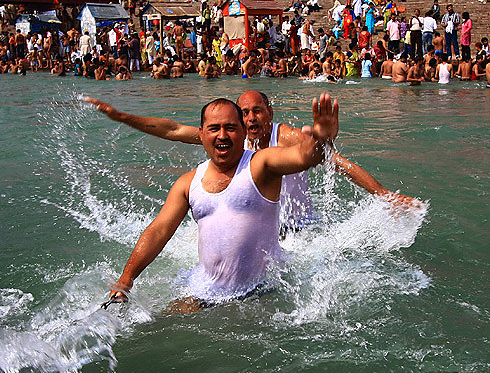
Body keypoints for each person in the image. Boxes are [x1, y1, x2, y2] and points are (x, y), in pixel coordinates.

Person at [106, 95, 339, 311]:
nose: (222, 135)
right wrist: (126, 279)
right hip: (204, 291)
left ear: (243, 132)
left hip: (261, 291)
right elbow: (160, 230)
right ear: (201, 133)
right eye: (214, 128)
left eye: (230, 128)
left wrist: (320, 141)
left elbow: (303, 156)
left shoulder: (260, 165)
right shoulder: (188, 183)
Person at [85, 91, 418, 230]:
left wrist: (386, 196)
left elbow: (335, 161)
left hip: (298, 229)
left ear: (269, 113)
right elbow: (172, 130)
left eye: (257, 110)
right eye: (244, 113)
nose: (250, 118)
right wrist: (120, 115)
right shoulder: (230, 139)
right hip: (258, 228)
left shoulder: (284, 136)